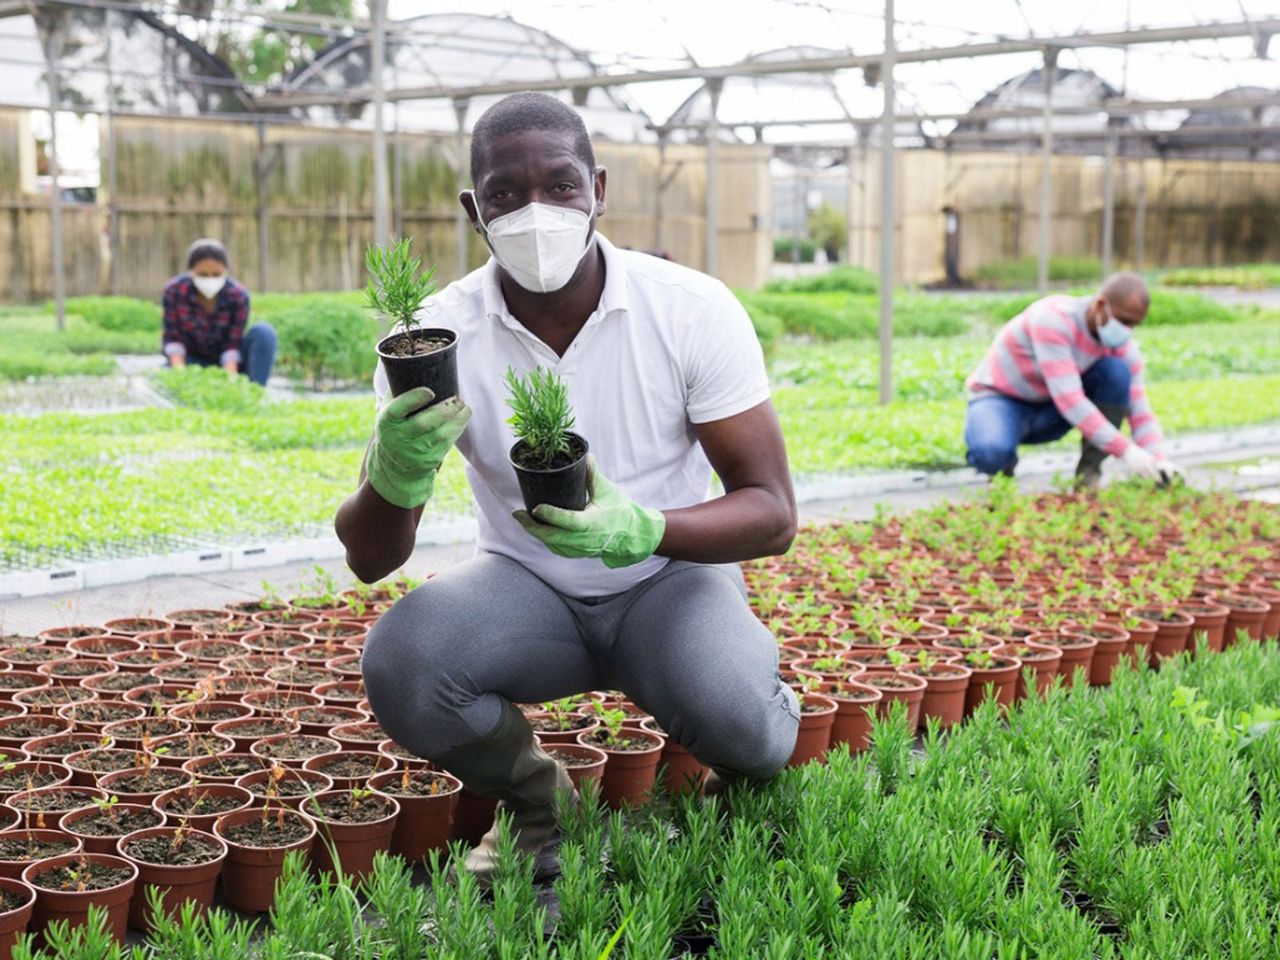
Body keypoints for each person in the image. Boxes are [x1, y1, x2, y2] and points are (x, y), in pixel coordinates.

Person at [338, 92, 800, 888]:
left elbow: (772, 513)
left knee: (745, 723)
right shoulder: (435, 339)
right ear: (473, 209)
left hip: (669, 581)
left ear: (599, 189)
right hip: (528, 592)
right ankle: (540, 801)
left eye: (559, 184)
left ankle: (737, 767)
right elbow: (372, 558)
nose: (535, 211)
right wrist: (394, 472)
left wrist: (645, 529)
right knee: (407, 661)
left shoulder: (688, 309)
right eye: (505, 195)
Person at [963, 271, 1182, 487]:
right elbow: (1070, 401)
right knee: (991, 452)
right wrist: (1125, 450)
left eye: (1134, 325)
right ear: (1100, 304)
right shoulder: (1052, 319)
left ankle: (1088, 475)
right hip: (1001, 399)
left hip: (1050, 411)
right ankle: (1002, 469)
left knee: (1116, 372)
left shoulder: (1122, 347)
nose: (1127, 331)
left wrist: (1158, 460)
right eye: (1123, 321)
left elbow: (1140, 410)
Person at [162, 238, 277, 386]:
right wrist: (181, 377)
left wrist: (230, 381)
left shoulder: (238, 296)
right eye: (203, 274)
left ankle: (255, 391)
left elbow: (232, 344)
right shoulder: (174, 291)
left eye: (216, 274)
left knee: (264, 332)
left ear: (225, 272)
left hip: (229, 362)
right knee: (162, 377)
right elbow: (173, 339)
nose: (210, 279)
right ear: (190, 272)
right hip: (191, 362)